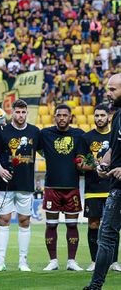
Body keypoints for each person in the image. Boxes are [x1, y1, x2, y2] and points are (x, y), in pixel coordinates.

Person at [0, 99, 41, 272]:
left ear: (27, 113)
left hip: (25, 183)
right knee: (3, 220)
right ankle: (0, 262)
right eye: (17, 112)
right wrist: (0, 169)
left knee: (24, 221)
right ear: (12, 112)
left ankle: (23, 262)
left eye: (23, 112)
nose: (20, 115)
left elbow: (43, 152)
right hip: (5, 184)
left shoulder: (34, 131)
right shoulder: (3, 131)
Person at [40, 104, 87, 271]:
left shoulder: (79, 135)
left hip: (72, 187)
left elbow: (83, 158)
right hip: (51, 187)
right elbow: (35, 147)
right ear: (54, 117)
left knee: (72, 225)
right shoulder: (45, 134)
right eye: (58, 115)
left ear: (70, 117)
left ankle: (71, 261)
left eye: (64, 115)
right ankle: (53, 261)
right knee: (51, 225)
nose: (61, 118)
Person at [85, 73, 121, 290]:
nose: (108, 93)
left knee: (106, 235)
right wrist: (104, 164)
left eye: (113, 89)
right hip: (116, 187)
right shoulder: (116, 116)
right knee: (106, 235)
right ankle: (95, 285)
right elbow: (113, 148)